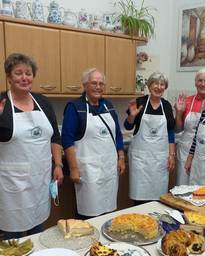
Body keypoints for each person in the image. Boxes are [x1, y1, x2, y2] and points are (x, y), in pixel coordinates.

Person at [0, 53, 63, 240]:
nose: (24, 77)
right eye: (18, 73)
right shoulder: (2, 103)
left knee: (38, 232)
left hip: (40, 180)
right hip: (12, 184)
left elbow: (55, 137)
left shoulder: (43, 102)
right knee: (14, 238)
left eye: (28, 73)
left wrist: (58, 165)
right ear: (9, 77)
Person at [61, 68, 125, 218]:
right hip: (88, 170)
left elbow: (117, 135)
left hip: (109, 168)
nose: (98, 87)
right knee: (88, 215)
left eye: (101, 83)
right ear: (85, 85)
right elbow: (67, 140)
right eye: (94, 83)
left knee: (108, 213)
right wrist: (73, 168)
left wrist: (121, 157)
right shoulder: (75, 107)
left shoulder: (108, 106)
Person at [124, 72, 175, 205]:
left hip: (159, 160)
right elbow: (127, 126)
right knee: (139, 197)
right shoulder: (139, 102)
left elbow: (170, 132)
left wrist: (171, 155)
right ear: (149, 85)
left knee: (158, 198)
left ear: (165, 87)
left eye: (162, 84)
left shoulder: (167, 106)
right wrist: (132, 116)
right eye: (155, 83)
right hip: (141, 160)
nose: (159, 87)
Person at [175, 68, 205, 185]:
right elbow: (178, 129)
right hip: (186, 150)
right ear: (195, 82)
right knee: (183, 185)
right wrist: (179, 113)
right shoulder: (186, 101)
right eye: (200, 80)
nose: (203, 84)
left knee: (202, 186)